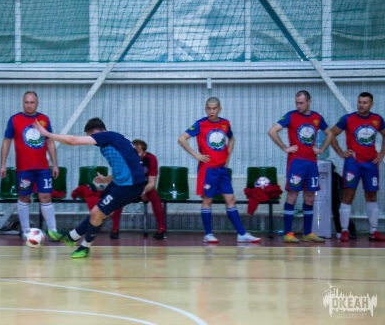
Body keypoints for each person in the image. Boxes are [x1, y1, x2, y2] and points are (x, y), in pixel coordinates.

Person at [34, 117, 146, 258]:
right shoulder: (115, 140)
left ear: (94, 132)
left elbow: (73, 141)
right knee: (99, 213)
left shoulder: (106, 136)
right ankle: (73, 238)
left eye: (89, 136)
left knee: (96, 213)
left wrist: (47, 134)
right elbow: (127, 166)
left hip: (130, 185)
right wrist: (106, 179)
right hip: (124, 182)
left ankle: (78, 243)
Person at [178, 97, 261, 244]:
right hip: (207, 169)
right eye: (209, 108)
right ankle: (208, 234)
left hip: (222, 169)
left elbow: (231, 139)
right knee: (207, 200)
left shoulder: (225, 123)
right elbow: (182, 139)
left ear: (219, 109)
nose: (211, 111)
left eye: (214, 108)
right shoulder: (200, 124)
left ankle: (242, 234)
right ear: (206, 109)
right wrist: (196, 155)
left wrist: (228, 156)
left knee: (231, 199)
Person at [268, 90, 333, 243]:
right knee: (293, 195)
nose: (298, 106)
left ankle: (308, 232)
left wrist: (322, 149)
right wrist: (285, 147)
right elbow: (272, 131)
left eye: (301, 103)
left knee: (310, 196)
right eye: (297, 103)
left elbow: (330, 134)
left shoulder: (317, 117)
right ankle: (288, 233)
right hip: (296, 162)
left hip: (312, 162)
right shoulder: (291, 116)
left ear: (309, 102)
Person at [0, 91, 60, 240]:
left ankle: (53, 231)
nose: (29, 105)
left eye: (32, 102)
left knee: (46, 197)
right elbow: (6, 141)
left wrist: (55, 164)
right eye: (26, 102)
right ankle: (26, 231)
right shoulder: (15, 120)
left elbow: (50, 142)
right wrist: (3, 164)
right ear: (23, 103)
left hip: (42, 168)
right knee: (24, 197)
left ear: (37, 103)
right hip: (24, 168)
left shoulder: (44, 119)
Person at [329, 92, 385, 242]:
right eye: (360, 102)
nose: (361, 105)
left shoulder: (377, 119)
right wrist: (340, 152)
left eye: (365, 102)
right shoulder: (348, 119)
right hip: (353, 163)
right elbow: (331, 134)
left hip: (371, 164)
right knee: (348, 194)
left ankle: (373, 231)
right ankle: (344, 230)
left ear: (371, 104)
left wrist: (381, 153)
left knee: (372, 196)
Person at [109, 139, 167, 240]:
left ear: (144, 153)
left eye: (138, 152)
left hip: (145, 187)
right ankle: (115, 229)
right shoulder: (125, 159)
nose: (134, 155)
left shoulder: (151, 159)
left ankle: (161, 229)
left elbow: (152, 183)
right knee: (118, 197)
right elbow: (120, 178)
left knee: (155, 197)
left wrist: (143, 191)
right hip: (129, 186)